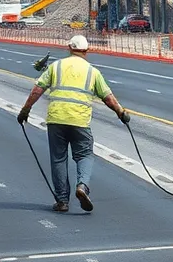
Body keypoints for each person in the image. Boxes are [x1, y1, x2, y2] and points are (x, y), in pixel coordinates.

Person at [17, 34, 131, 213]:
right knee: (85, 155)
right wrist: (121, 113)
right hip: (79, 121)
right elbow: (107, 97)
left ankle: (62, 201)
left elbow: (37, 89)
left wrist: (25, 110)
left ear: (69, 48)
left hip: (56, 121)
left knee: (59, 159)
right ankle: (82, 186)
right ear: (87, 51)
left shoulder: (57, 66)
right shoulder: (92, 72)